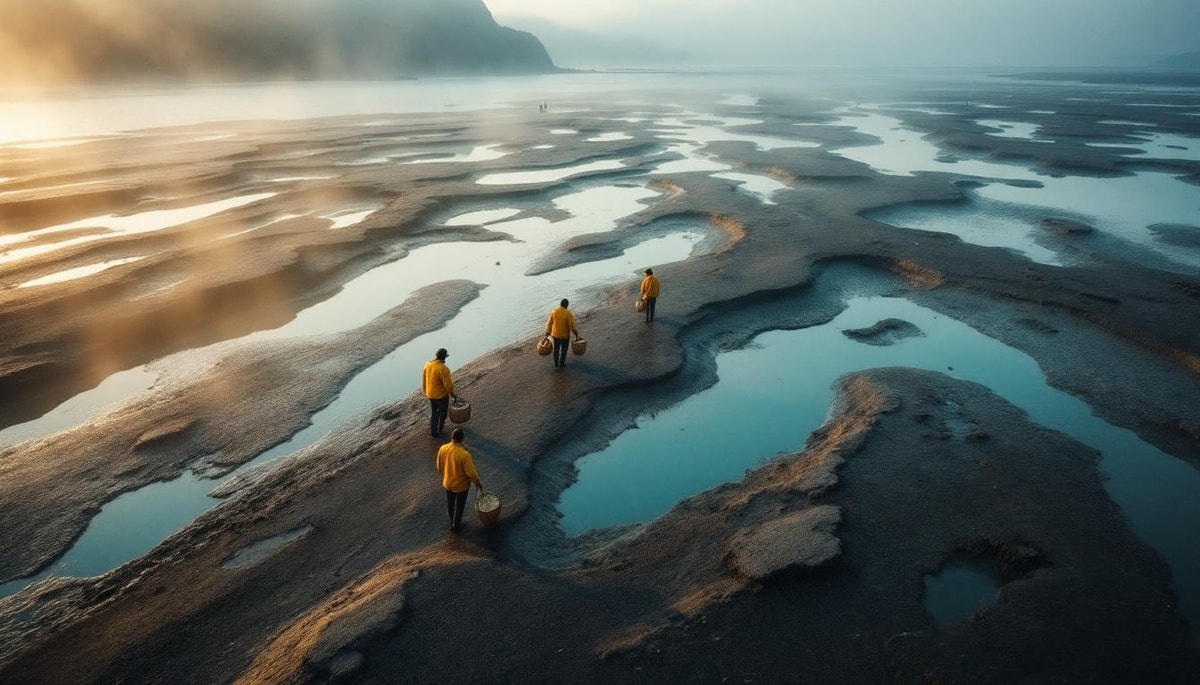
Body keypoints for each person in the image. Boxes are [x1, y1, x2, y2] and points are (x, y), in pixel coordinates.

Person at [435, 428, 483, 531]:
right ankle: (456, 525)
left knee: (450, 504)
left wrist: (446, 474)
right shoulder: (464, 454)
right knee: (459, 506)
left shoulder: (443, 448)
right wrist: (478, 484)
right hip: (461, 486)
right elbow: (471, 473)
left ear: (452, 437)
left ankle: (451, 519)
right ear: (462, 439)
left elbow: (439, 466)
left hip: (447, 483)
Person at [422, 348, 456, 437]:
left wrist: (425, 392)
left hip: (430, 394)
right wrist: (453, 395)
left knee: (434, 412)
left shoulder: (427, 365)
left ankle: (434, 430)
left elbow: (424, 380)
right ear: (444, 357)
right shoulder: (443, 369)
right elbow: (448, 385)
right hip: (441, 396)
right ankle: (438, 430)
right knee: (442, 413)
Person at [544, 298, 580, 369]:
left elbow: (549, 323)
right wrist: (576, 333)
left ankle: (556, 364)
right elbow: (572, 326)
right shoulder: (568, 313)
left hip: (555, 335)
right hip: (565, 336)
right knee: (564, 350)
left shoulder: (554, 311)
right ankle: (562, 364)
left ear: (560, 304)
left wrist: (548, 332)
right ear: (567, 305)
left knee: (556, 350)